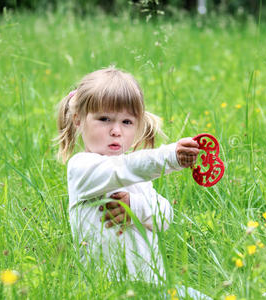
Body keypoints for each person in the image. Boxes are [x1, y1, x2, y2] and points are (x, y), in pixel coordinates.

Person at [56, 67, 210, 299]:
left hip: (153, 287)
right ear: (78, 120)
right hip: (109, 290)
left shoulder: (138, 178)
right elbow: (122, 169)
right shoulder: (82, 168)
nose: (116, 130)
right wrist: (170, 156)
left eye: (127, 122)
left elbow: (164, 217)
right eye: (104, 119)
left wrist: (134, 207)